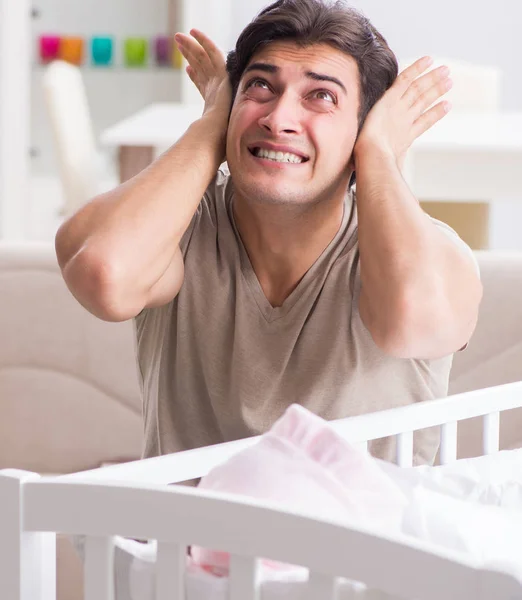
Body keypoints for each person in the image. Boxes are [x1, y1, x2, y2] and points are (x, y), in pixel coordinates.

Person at [55, 0, 482, 465]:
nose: (278, 118)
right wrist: (211, 124)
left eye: (322, 96)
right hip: (192, 534)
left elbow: (410, 318)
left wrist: (378, 150)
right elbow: (105, 275)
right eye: (260, 86)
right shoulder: (177, 229)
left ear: (360, 131)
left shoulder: (435, 257)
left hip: (362, 537)